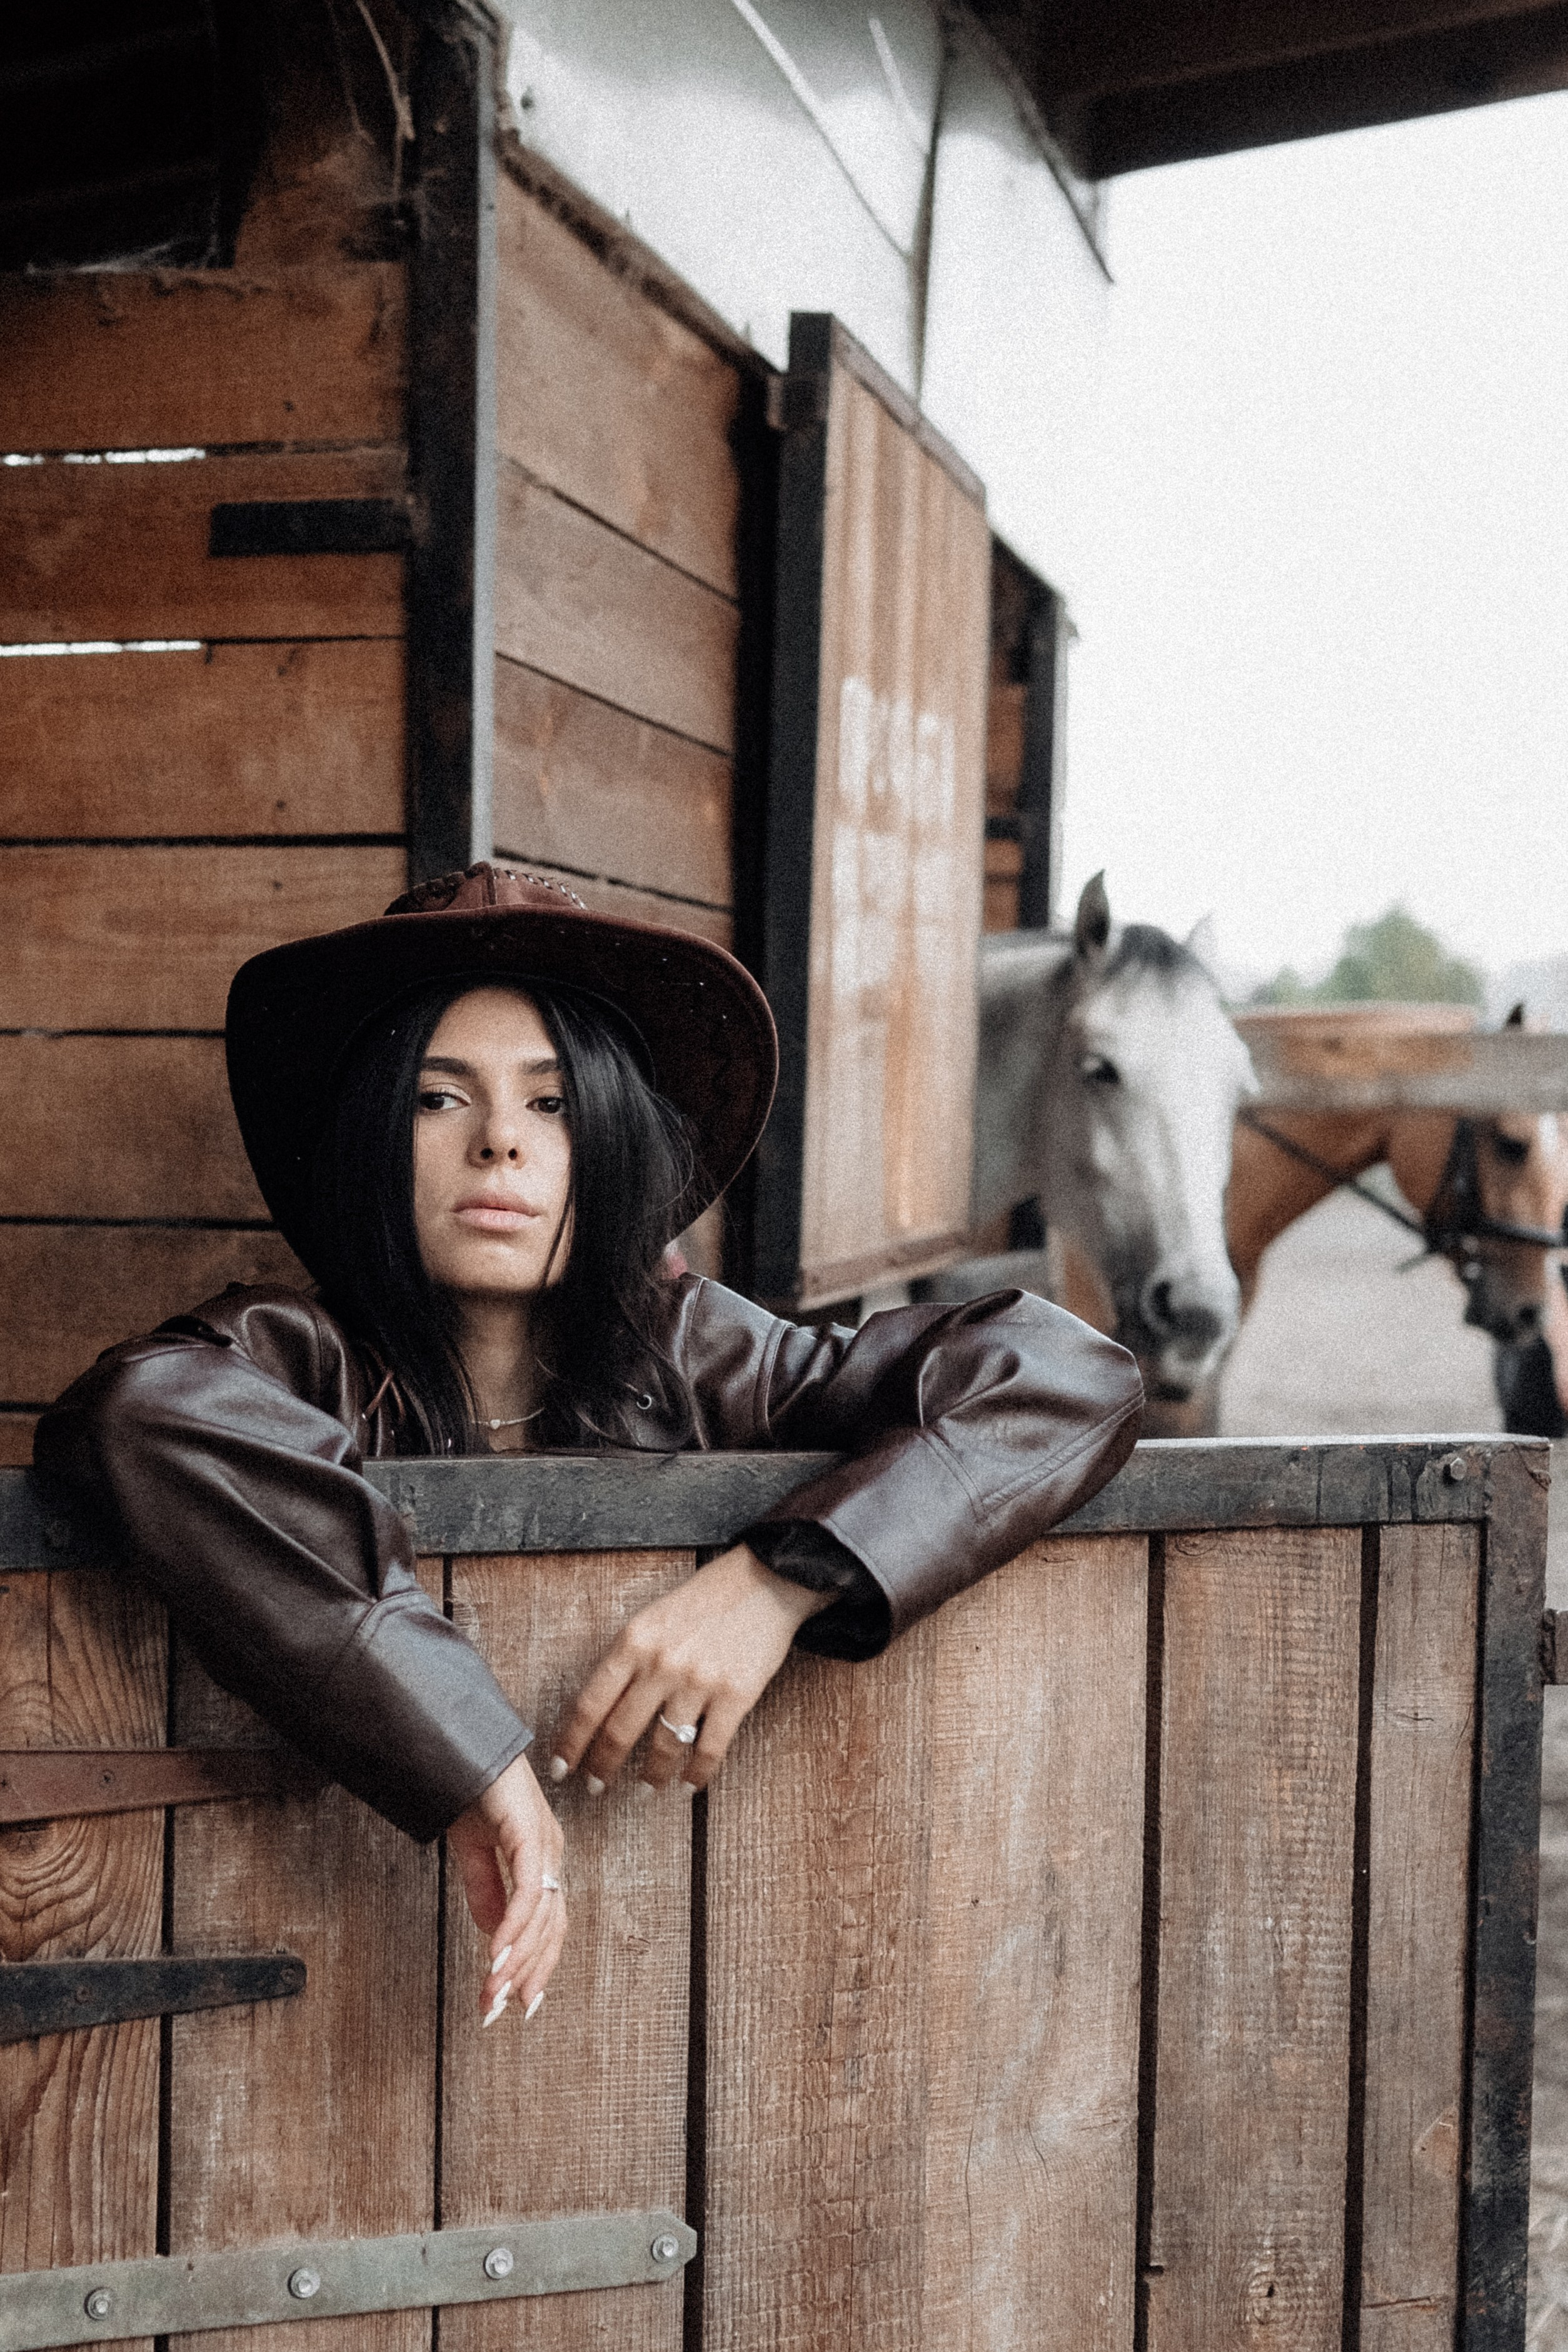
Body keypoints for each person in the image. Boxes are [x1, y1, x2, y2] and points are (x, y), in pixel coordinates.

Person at [36, 864, 1143, 2033]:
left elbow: (1070, 1375)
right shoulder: (296, 1352)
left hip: (740, 2019)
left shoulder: (709, 1354)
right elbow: (139, 1411)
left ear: (608, 1136)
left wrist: (777, 1584)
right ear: (372, 1133)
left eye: (553, 1103)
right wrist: (479, 1760)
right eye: (437, 1098)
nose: (500, 1144)